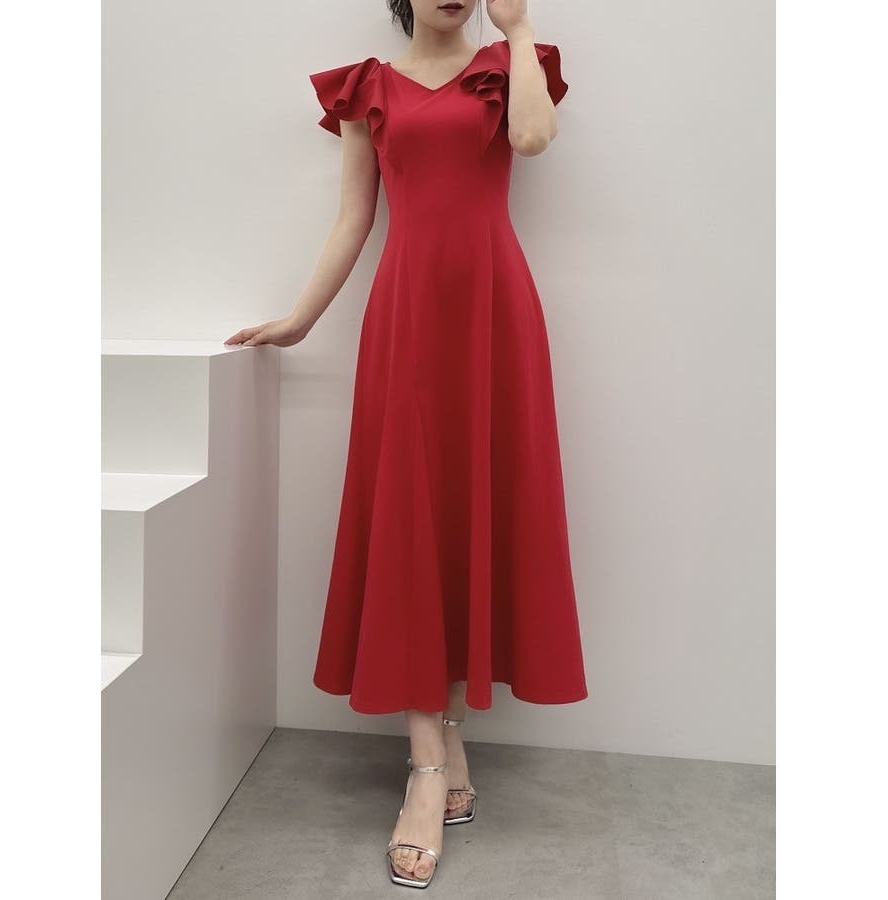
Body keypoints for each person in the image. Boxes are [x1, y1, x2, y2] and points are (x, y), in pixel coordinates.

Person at [224, 0, 588, 888]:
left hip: (495, 315)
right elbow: (354, 217)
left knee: (470, 515)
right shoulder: (369, 90)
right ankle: (427, 766)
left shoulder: (510, 67)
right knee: (412, 525)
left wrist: (517, 30)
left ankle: (450, 736)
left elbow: (533, 139)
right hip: (409, 320)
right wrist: (301, 319)